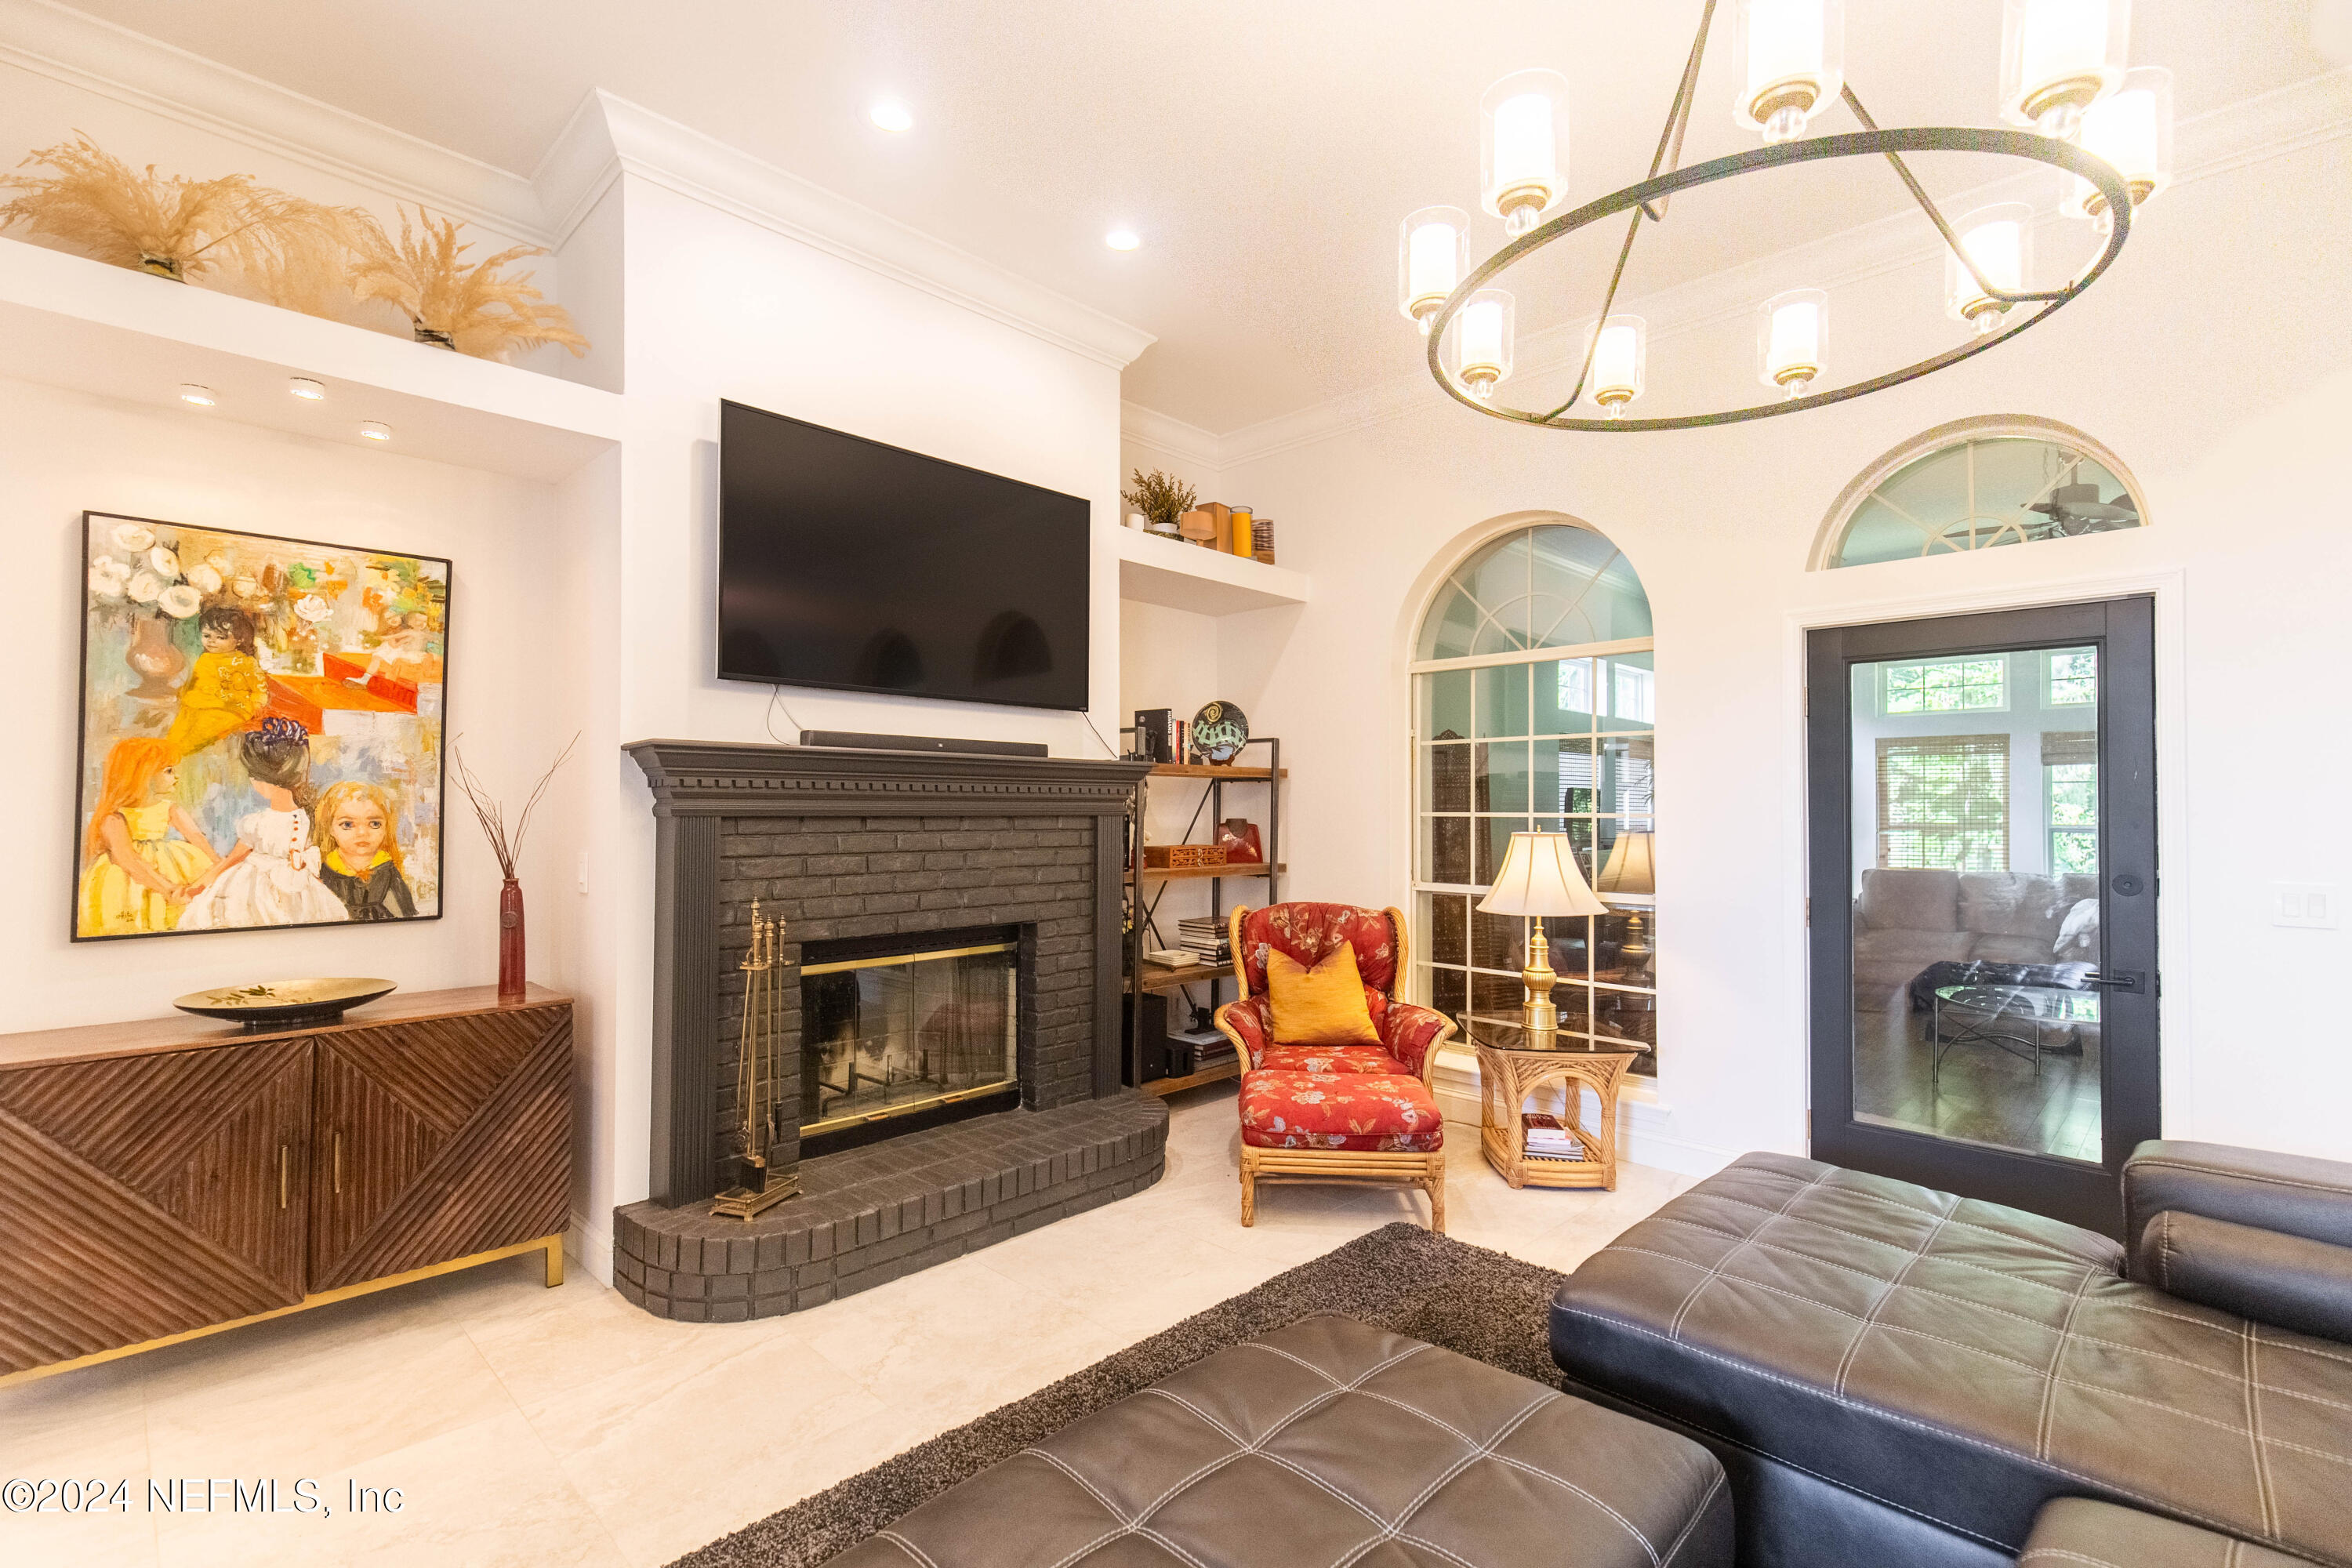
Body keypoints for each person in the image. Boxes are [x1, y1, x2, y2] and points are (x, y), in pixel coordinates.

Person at [176, 717, 349, 929]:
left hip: (253, 891)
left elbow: (231, 860)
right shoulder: (306, 818)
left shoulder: (258, 823)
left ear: (264, 782)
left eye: (253, 777)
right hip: (298, 892)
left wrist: (197, 887)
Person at [77, 737, 219, 935]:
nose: (176, 777)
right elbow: (127, 859)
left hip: (173, 866)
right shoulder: (114, 817)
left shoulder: (170, 809)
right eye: (168, 770)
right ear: (143, 774)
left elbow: (198, 838)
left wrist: (219, 868)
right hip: (132, 878)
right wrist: (168, 889)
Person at [164, 606, 268, 760]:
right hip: (198, 704)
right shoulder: (204, 659)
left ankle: (177, 755)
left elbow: (259, 687)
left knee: (199, 733)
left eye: (221, 637)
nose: (212, 641)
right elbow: (195, 682)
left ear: (239, 640)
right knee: (177, 731)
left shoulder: (245, 662)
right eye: (207, 635)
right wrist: (183, 693)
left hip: (229, 708)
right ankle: (167, 753)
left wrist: (257, 703)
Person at [312, 778, 418, 921]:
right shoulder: (324, 872)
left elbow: (406, 915)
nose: (362, 833)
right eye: (348, 824)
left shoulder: (387, 870)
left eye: (374, 824)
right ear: (330, 828)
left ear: (386, 827)